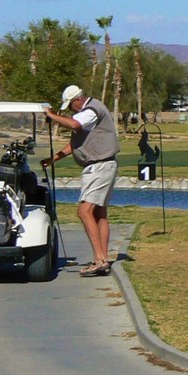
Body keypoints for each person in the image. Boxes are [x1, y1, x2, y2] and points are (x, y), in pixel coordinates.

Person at [42, 84, 119, 276]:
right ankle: (102, 258)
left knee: (84, 211)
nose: (70, 109)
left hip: (99, 166)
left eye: (70, 105)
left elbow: (74, 124)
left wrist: (51, 115)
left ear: (77, 100)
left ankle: (100, 259)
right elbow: (77, 143)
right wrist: (55, 158)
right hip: (103, 165)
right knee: (99, 213)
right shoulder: (89, 112)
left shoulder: (91, 110)